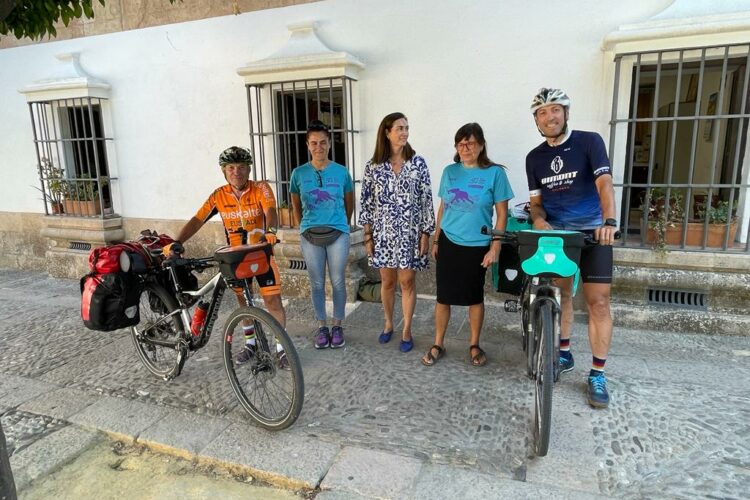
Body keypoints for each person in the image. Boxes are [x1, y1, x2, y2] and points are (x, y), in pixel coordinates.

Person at [526, 87, 618, 408]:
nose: (549, 117)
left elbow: (604, 183)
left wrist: (608, 221)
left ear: (565, 113)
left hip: (593, 234)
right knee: (562, 294)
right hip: (558, 237)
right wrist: (538, 220)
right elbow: (536, 204)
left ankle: (597, 373)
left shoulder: (589, 141)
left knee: (599, 303)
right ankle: (563, 353)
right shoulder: (534, 158)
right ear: (536, 120)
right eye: (541, 112)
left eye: (554, 110)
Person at [169, 146, 285, 362]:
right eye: (230, 168)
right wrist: (177, 242)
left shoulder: (260, 188)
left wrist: (271, 231)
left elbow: (270, 211)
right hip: (235, 260)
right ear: (223, 171)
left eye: (241, 167)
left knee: (273, 302)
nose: (236, 172)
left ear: (249, 169)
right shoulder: (218, 195)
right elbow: (198, 220)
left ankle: (281, 349)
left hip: (261, 256)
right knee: (244, 302)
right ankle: (250, 344)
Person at [421, 123, 513, 367]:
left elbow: (502, 215)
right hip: (449, 241)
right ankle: (438, 342)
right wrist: (436, 238)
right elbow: (443, 207)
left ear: (481, 145)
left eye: (470, 143)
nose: (465, 148)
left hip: (478, 244)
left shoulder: (495, 174)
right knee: (443, 296)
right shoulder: (450, 171)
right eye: (461, 144)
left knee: (474, 297)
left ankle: (474, 344)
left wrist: (496, 246)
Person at [359, 112, 435, 353]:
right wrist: (368, 237)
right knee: (388, 281)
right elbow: (367, 203)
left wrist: (426, 233)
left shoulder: (418, 163)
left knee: (408, 281)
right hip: (383, 236)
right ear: (387, 132)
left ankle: (407, 329)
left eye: (406, 127)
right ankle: (389, 323)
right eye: (399, 128)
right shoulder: (373, 167)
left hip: (410, 236)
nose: (404, 132)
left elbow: (426, 200)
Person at [290, 120, 354, 349]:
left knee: (337, 281)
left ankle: (337, 325)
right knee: (316, 283)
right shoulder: (298, 173)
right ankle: (322, 326)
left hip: (337, 232)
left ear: (329, 144)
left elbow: (349, 202)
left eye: (323, 142)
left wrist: (341, 224)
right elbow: (295, 204)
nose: (319, 147)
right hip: (310, 235)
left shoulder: (341, 172)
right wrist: (303, 226)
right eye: (314, 143)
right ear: (308, 145)